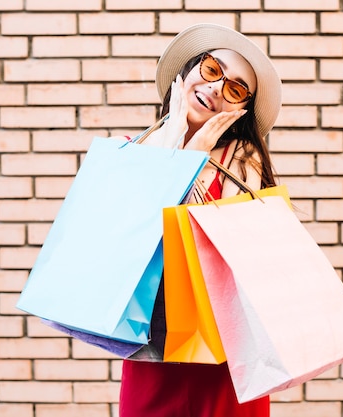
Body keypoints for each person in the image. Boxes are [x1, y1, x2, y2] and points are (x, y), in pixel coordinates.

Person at [118, 23, 283, 417]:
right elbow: (128, 241)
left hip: (222, 359)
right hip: (151, 354)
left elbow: (219, 255)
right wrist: (180, 147)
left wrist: (196, 154)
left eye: (236, 88)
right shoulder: (132, 151)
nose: (216, 87)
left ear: (241, 108)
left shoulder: (242, 164)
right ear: (189, 71)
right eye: (212, 69)